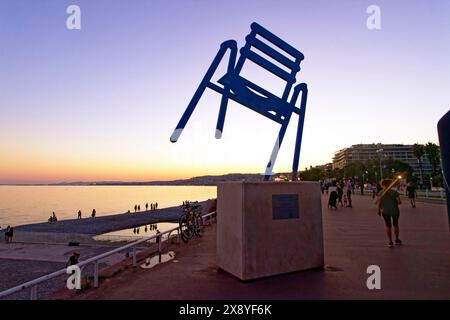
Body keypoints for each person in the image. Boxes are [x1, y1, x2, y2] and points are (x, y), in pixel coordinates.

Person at [376, 179, 402, 248]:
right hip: (395, 210)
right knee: (395, 224)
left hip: (385, 211)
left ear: (383, 185)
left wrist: (378, 210)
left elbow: (379, 202)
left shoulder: (380, 192)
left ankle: (390, 241)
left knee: (388, 225)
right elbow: (399, 202)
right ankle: (396, 239)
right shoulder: (395, 192)